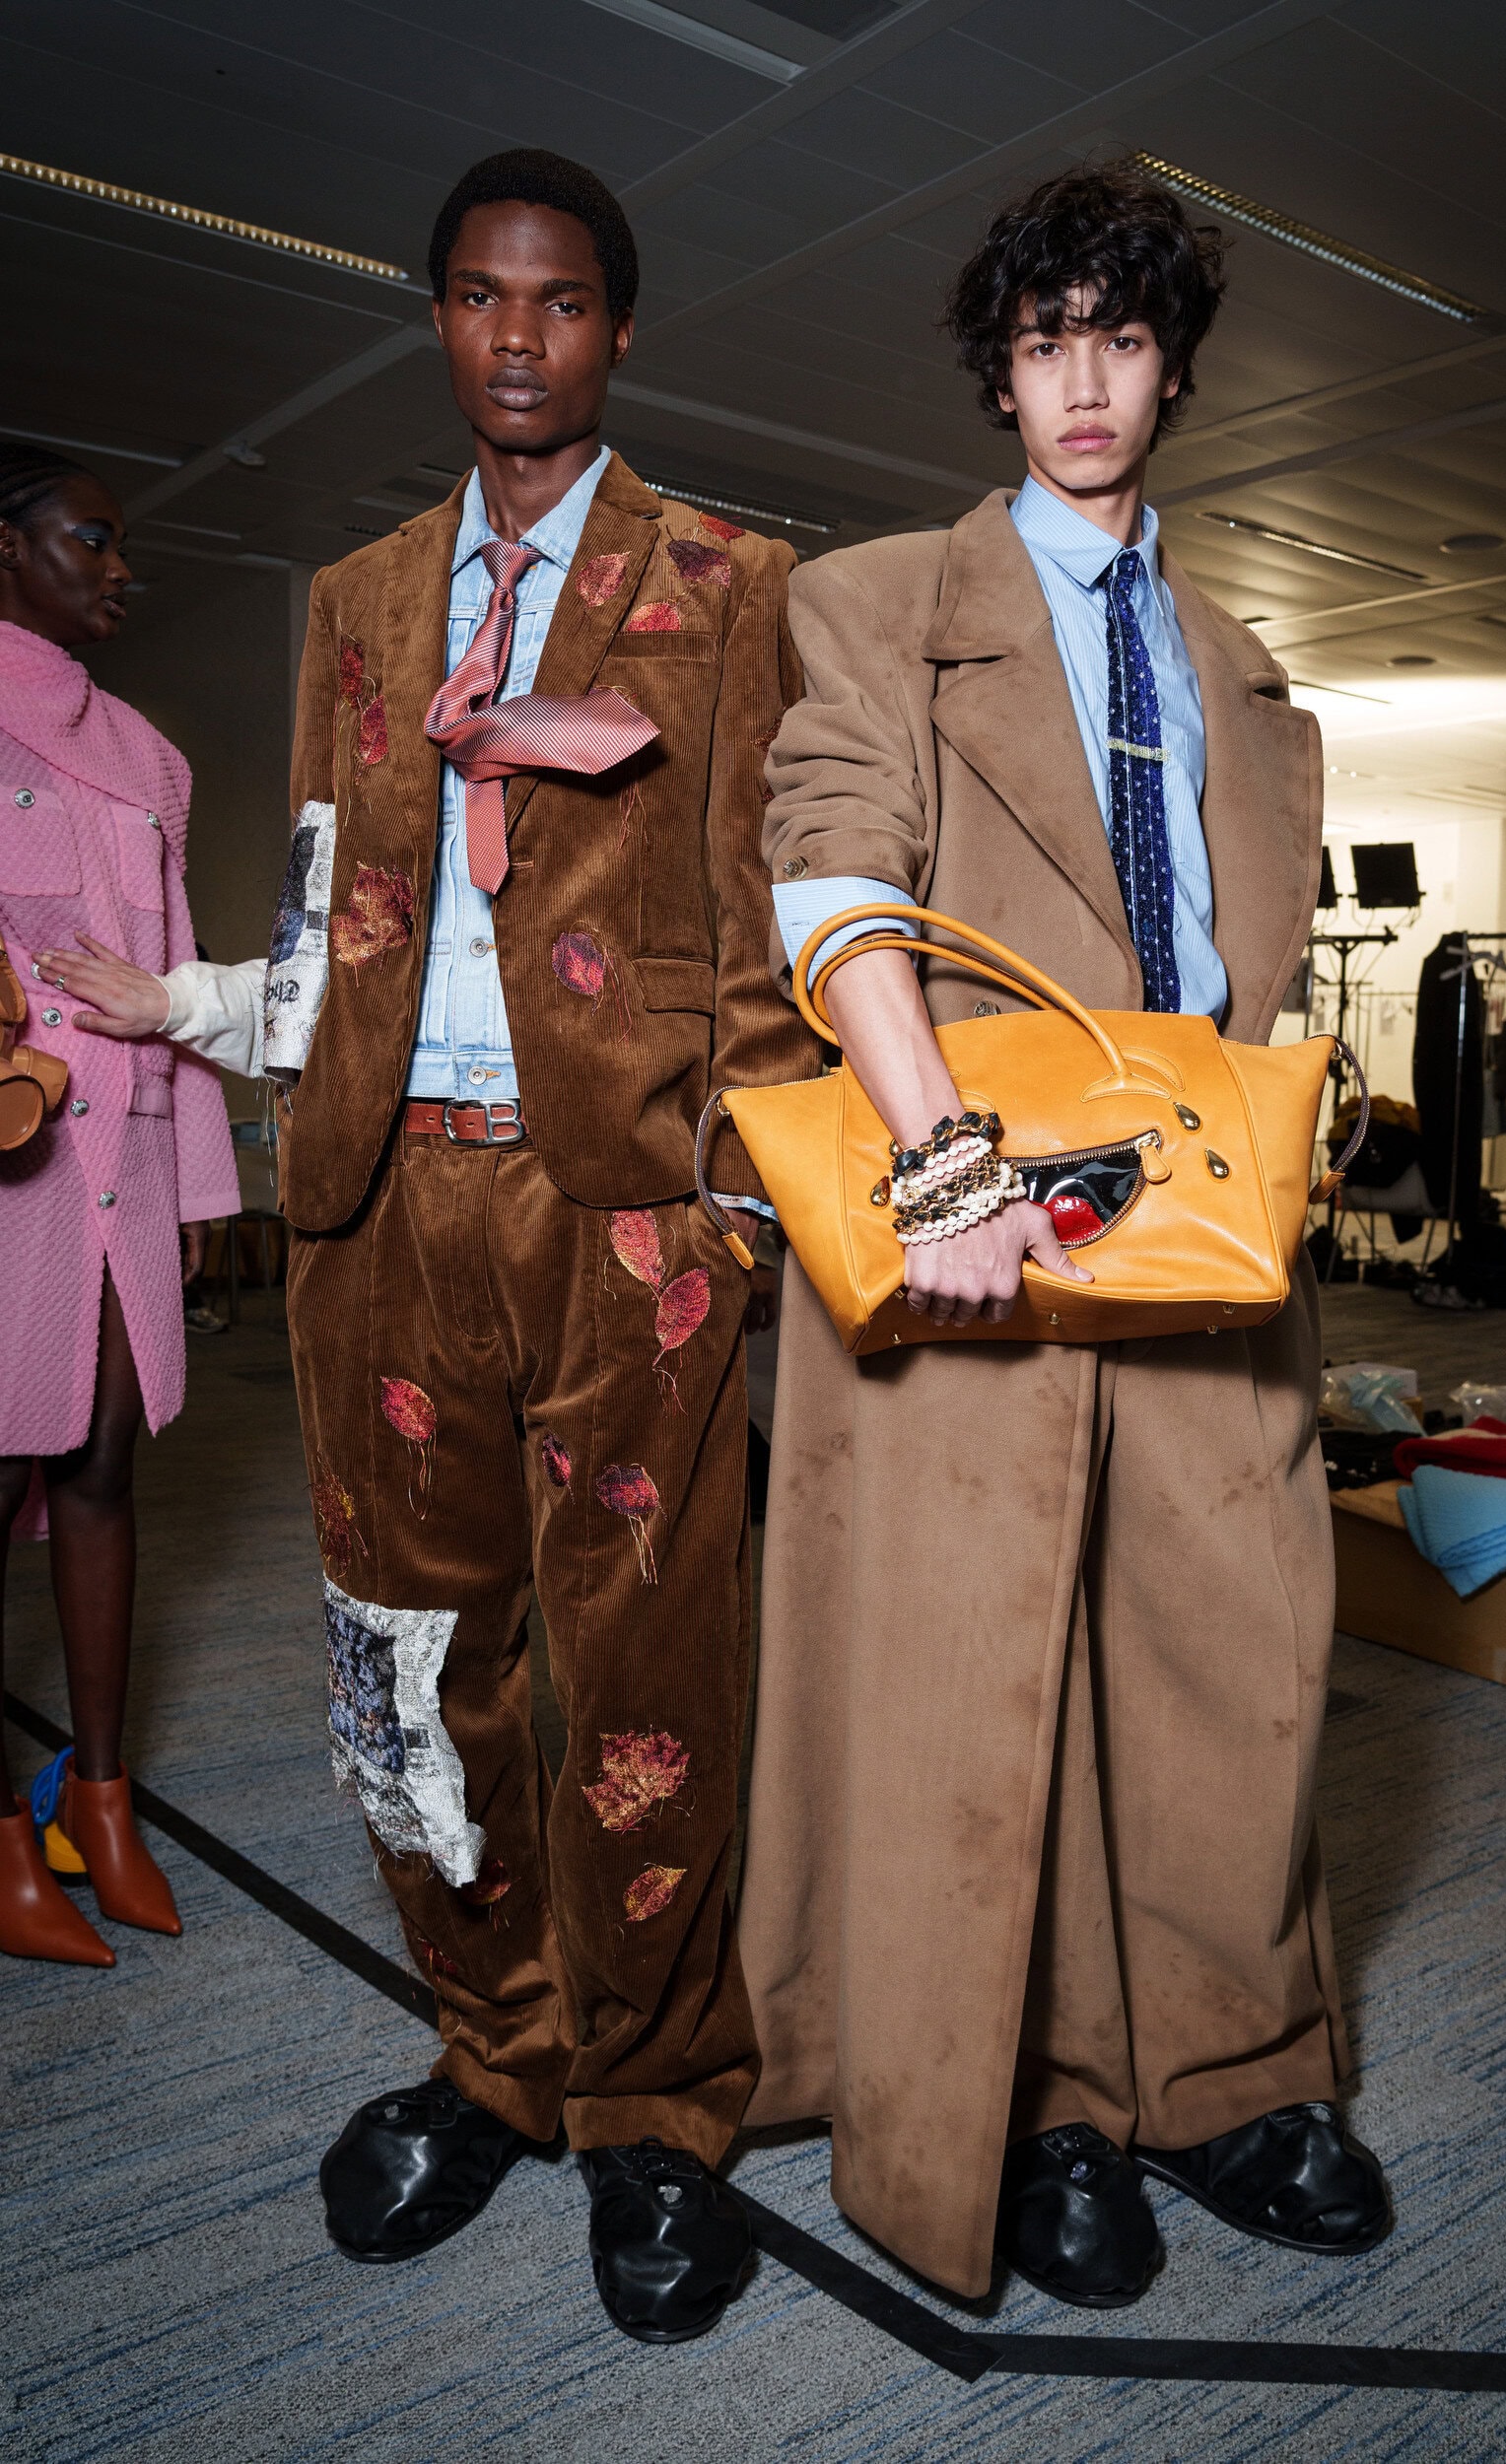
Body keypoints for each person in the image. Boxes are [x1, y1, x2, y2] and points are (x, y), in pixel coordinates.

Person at [736, 162, 1391, 2304]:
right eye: (1041, 344)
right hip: (966, 1205)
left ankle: (1224, 2070)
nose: (1080, 382)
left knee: (1229, 1656)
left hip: (1193, 1204)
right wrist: (940, 1166)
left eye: (1117, 338)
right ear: (995, 374)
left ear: (1171, 365)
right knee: (967, 1674)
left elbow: (1227, 956)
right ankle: (1015, 2102)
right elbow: (831, 879)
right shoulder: (870, 601)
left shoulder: (1241, 663)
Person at [257, 149, 812, 2343]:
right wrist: (285, 1112)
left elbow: (764, 914)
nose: (517, 335)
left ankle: (655, 2096)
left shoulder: (728, 578)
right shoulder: (358, 598)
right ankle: (491, 2042)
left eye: (560, 302)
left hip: (625, 1219)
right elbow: (322, 898)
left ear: (616, 330)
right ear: (434, 319)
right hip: (388, 1197)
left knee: (645, 1684)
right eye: (480, 298)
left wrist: (735, 1211)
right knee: (404, 1659)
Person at [0, 444, 240, 1968]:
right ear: (8, 548)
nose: (119, 567)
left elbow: (177, 966)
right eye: (91, 540)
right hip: (10, 1155)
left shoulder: (154, 758)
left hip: (131, 1151)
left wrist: (203, 1173)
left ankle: (102, 1800)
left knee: (100, 1467)